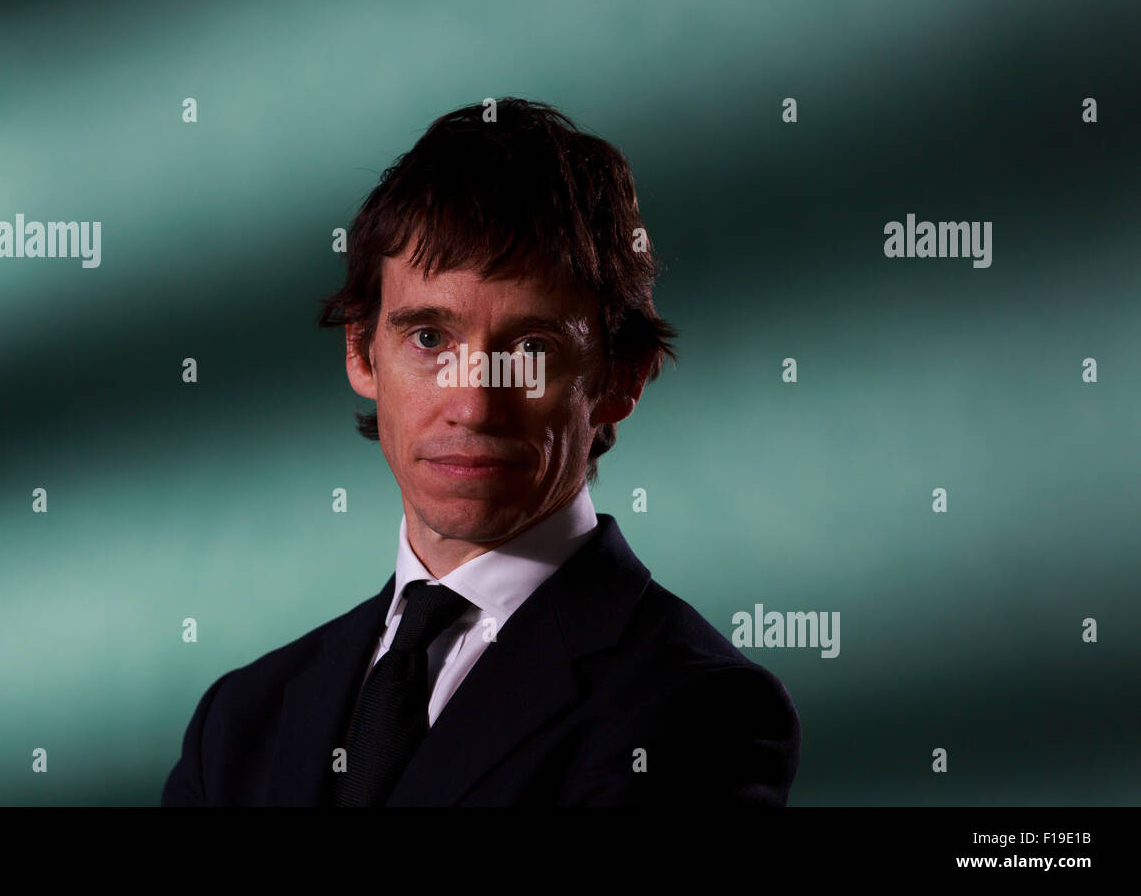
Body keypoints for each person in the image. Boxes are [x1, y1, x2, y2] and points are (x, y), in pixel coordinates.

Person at [162, 97, 800, 806]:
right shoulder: (243, 721)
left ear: (621, 380)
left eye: (532, 351)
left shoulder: (698, 712)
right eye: (430, 338)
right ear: (361, 353)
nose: (473, 404)